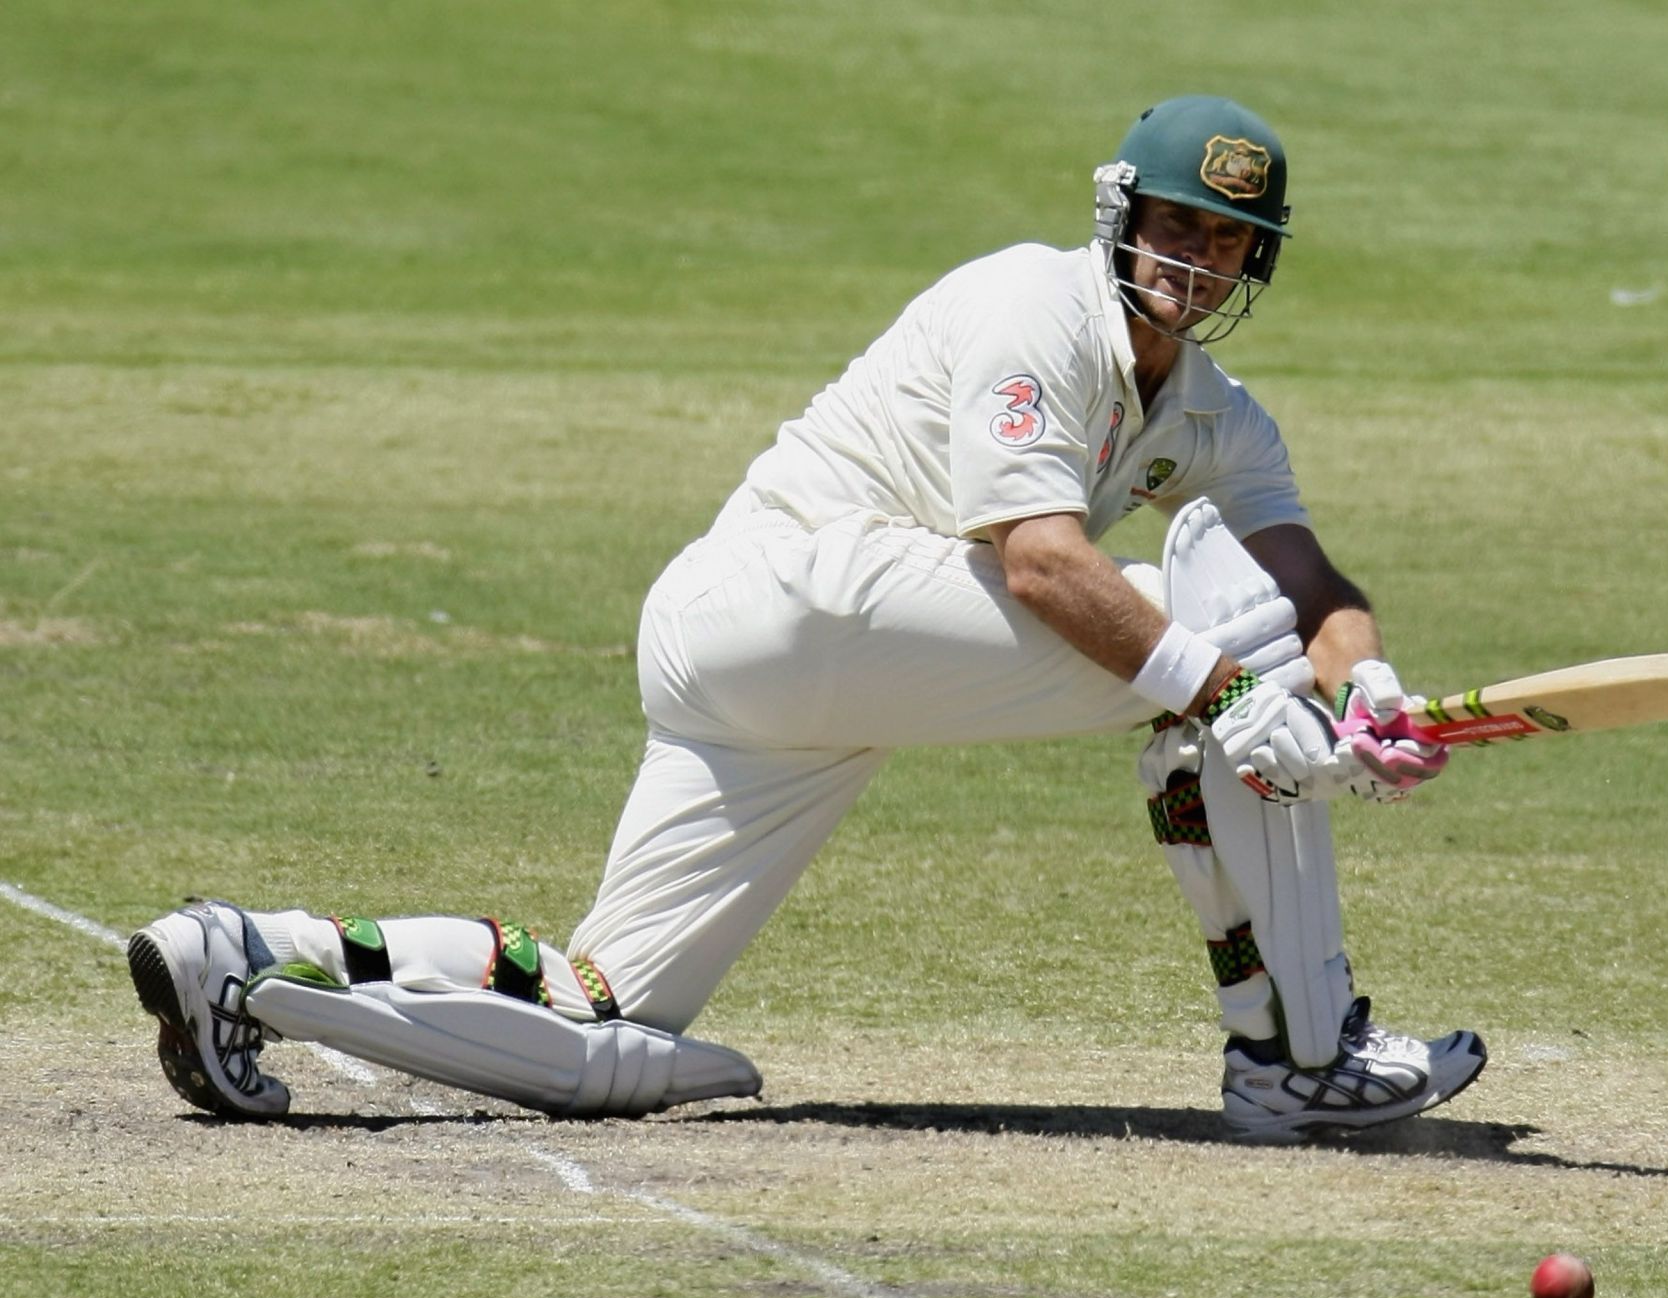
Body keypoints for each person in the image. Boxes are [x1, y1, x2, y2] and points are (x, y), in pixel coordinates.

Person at [126, 96, 1486, 1144]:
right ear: (1123, 219)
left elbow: (1310, 584)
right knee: (1217, 654)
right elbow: (1044, 568)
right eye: (1177, 227)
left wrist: (1369, 691)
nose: (1196, 261)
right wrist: (1242, 698)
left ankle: (243, 954)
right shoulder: (1036, 304)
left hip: (779, 671)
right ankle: (1298, 1056)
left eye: (1227, 239)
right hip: (794, 595)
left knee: (609, 1018)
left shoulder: (1212, 410)